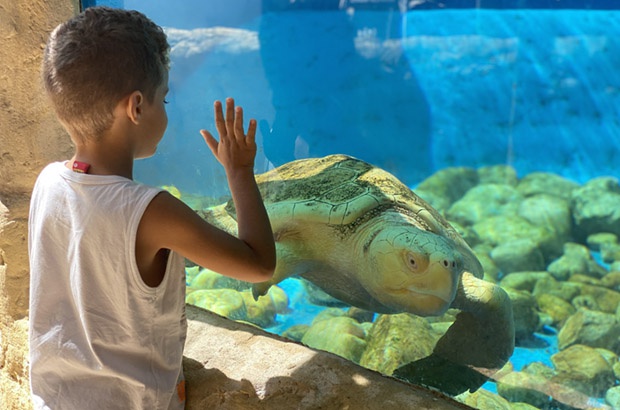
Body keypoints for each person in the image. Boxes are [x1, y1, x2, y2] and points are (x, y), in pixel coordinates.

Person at [28, 6, 276, 410]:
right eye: (165, 98)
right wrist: (240, 172)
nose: (167, 108)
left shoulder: (47, 182)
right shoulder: (152, 212)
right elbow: (259, 264)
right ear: (137, 107)